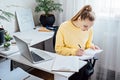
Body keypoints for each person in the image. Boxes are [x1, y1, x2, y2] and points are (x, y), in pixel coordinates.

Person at [55, 5, 100, 80]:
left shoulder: (89, 29)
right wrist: (74, 52)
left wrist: (91, 46)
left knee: (82, 72)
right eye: (85, 26)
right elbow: (58, 49)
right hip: (67, 59)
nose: (87, 29)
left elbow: (87, 43)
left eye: (90, 27)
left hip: (81, 59)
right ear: (79, 19)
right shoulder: (64, 27)